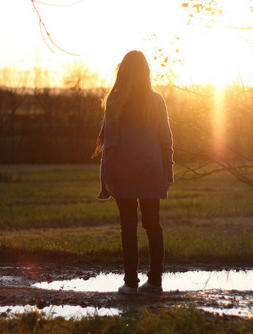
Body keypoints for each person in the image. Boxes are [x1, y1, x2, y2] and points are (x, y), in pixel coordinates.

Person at [92, 50, 174, 295]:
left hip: (124, 174)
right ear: (146, 72)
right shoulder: (156, 100)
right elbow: (166, 139)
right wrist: (168, 171)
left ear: (123, 72)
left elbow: (111, 146)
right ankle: (155, 281)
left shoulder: (116, 102)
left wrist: (105, 180)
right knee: (153, 226)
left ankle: (130, 283)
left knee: (128, 228)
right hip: (152, 171)